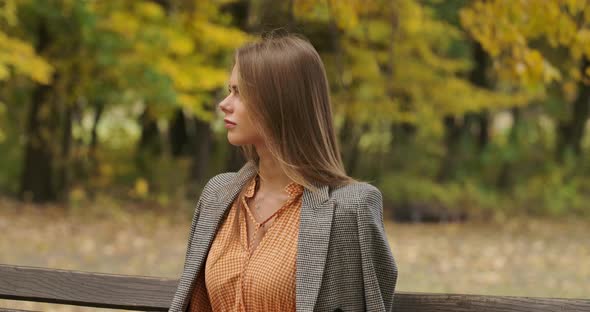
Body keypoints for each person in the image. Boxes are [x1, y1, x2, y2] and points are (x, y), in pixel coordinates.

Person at [168, 32, 397, 312]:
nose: (224, 103)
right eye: (229, 90)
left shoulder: (349, 209)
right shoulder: (219, 195)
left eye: (239, 92)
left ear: (278, 102)